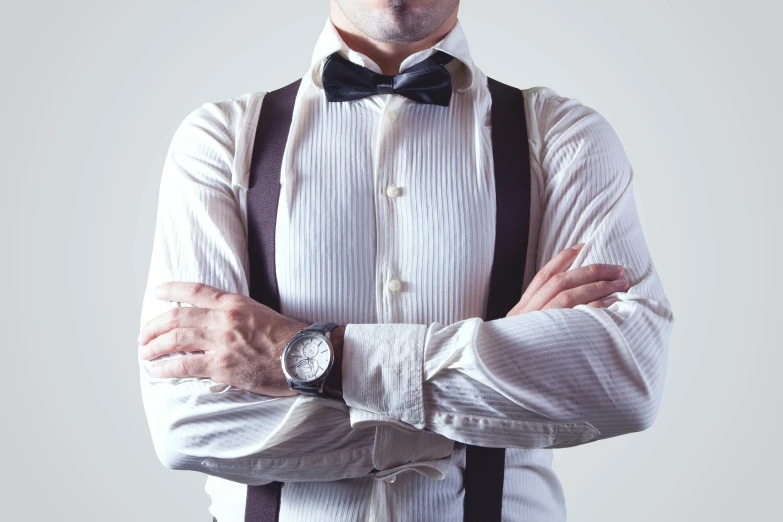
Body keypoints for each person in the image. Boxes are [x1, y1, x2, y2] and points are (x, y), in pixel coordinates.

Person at [136, 1, 674, 520]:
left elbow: (622, 381)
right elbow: (190, 423)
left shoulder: (563, 139)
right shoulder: (220, 142)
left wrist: (303, 358)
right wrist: (497, 374)